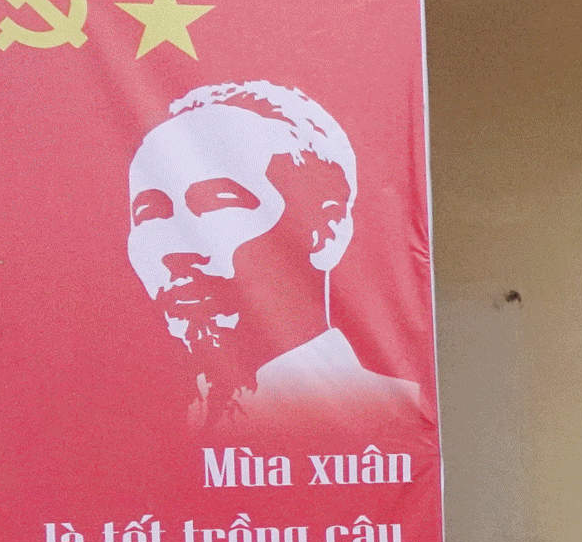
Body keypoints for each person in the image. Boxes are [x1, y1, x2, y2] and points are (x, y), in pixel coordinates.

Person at [125, 81, 428, 433]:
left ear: (324, 230)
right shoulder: (134, 434)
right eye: (149, 214)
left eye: (217, 202)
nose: (176, 247)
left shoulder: (390, 420)